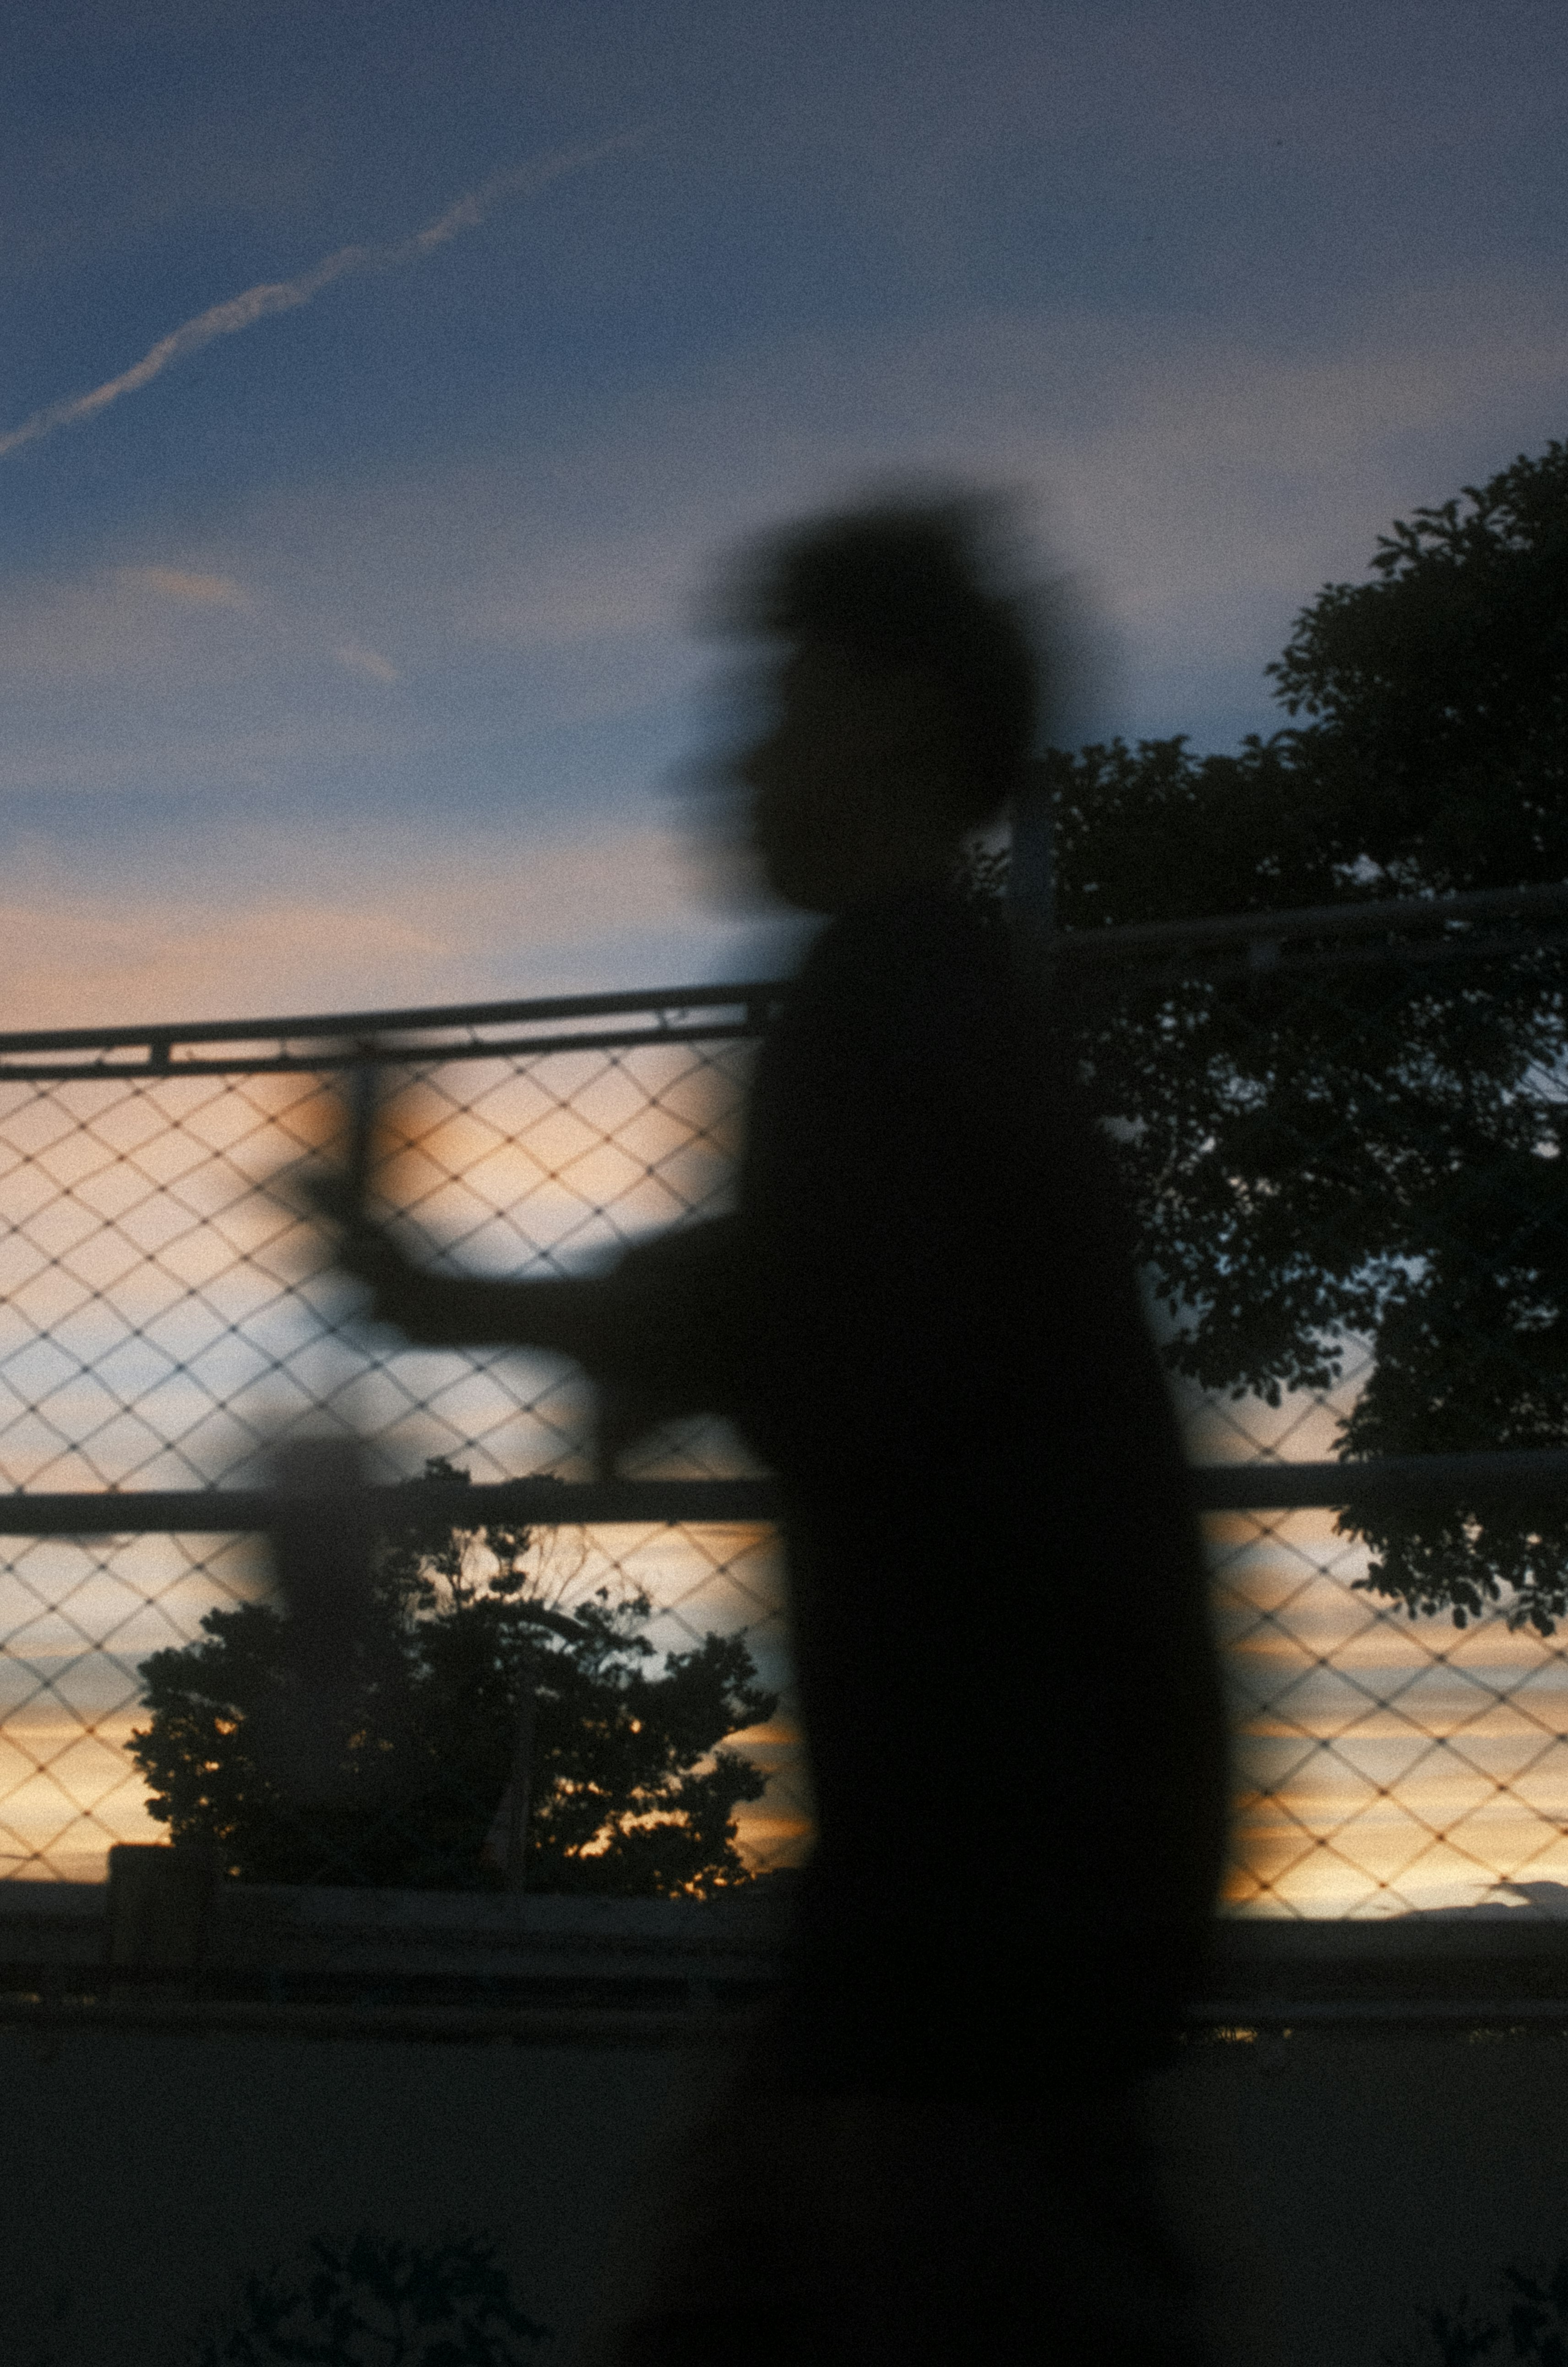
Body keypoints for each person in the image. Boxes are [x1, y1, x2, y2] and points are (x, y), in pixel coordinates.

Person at [327, 499, 1231, 2363]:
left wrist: (451, 1301)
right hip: (1015, 1899)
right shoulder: (946, 1010)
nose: (733, 754)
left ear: (892, 716)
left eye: (780, 698)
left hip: (967, 1928)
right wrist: (465, 1299)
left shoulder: (882, 1007)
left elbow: (804, 1324)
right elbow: (796, 1301)